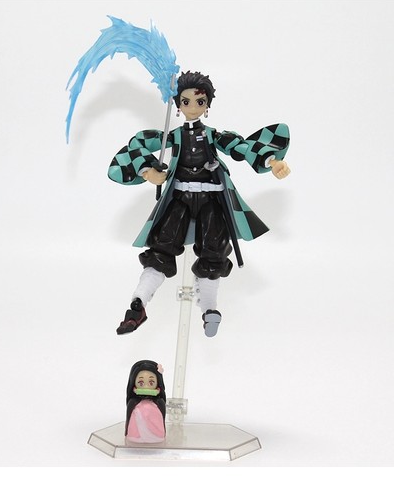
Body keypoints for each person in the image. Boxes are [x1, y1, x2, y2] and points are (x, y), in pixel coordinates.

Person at [108, 71, 290, 337]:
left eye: (200, 102)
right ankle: (139, 303)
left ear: (207, 106)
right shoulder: (173, 137)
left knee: (214, 251)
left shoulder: (215, 136)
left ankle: (209, 309)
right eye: (186, 102)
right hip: (179, 200)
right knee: (161, 249)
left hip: (211, 200)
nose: (192, 107)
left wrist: (272, 161)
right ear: (178, 105)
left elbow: (241, 147)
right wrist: (148, 171)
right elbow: (137, 144)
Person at [125, 360, 166, 443]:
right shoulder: (133, 403)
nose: (146, 387)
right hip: (135, 438)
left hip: (156, 437)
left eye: (151, 382)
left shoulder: (159, 403)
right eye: (141, 383)